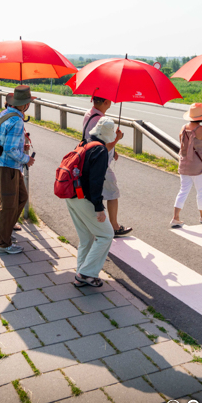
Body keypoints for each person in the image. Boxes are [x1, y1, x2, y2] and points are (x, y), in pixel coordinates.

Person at [67, 117, 117, 287]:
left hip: (71, 195)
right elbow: (96, 182)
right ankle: (86, 273)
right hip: (84, 198)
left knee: (86, 238)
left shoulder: (85, 143)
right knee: (106, 234)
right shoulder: (101, 151)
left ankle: (81, 274)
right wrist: (99, 208)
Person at [0, 85, 36, 254]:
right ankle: (2, 243)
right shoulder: (17, 121)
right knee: (10, 205)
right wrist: (27, 159)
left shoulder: (6, 114)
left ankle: (1, 229)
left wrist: (19, 144)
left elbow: (5, 141)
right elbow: (10, 150)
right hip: (8, 166)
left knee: (21, 198)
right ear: (25, 105)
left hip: (4, 165)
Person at [81, 96, 132, 236]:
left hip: (90, 158)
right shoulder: (100, 120)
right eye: (109, 101)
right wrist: (117, 139)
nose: (111, 103)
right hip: (100, 162)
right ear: (105, 102)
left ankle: (95, 225)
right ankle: (114, 226)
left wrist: (114, 150)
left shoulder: (89, 114)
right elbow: (102, 146)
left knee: (93, 192)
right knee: (112, 193)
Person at [170, 103, 202, 228]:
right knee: (201, 191)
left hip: (184, 165)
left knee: (183, 190)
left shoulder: (183, 128)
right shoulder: (201, 130)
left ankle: (175, 217)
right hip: (198, 167)